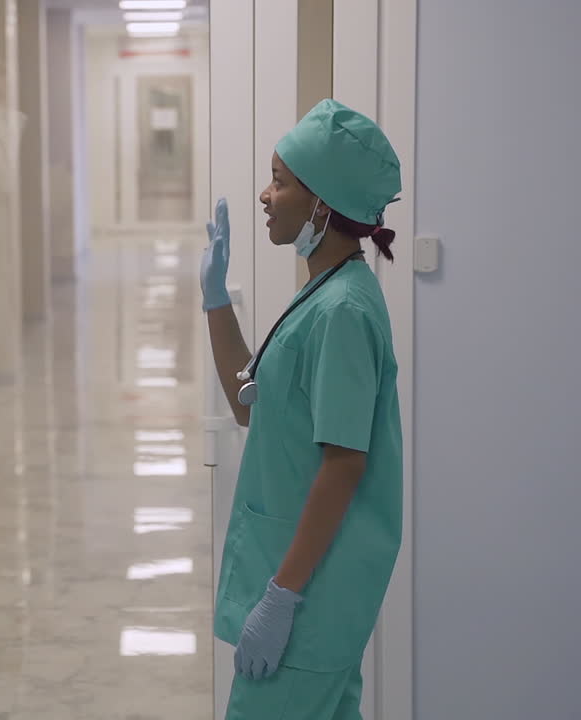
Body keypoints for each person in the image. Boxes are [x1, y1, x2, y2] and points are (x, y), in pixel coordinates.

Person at [201, 98, 403, 719]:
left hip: (307, 602)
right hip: (310, 595)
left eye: (280, 181)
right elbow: (251, 407)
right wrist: (215, 300)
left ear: (322, 202)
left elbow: (344, 464)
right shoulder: (326, 293)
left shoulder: (342, 312)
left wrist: (282, 597)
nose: (266, 196)